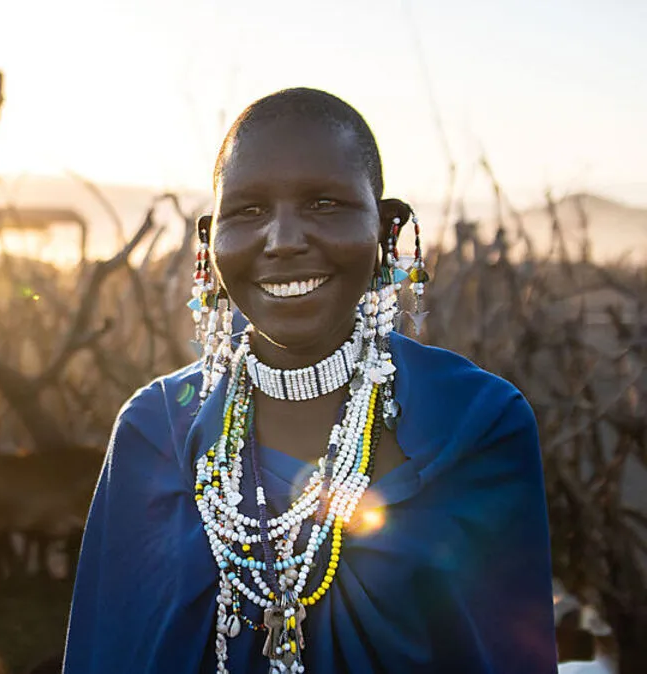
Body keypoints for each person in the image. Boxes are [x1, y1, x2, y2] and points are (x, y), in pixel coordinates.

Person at [61, 88, 557, 673]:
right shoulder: (155, 430)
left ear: (387, 228)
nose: (284, 239)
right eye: (247, 211)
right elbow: (110, 651)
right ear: (208, 239)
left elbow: (501, 654)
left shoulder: (475, 424)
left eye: (325, 203)